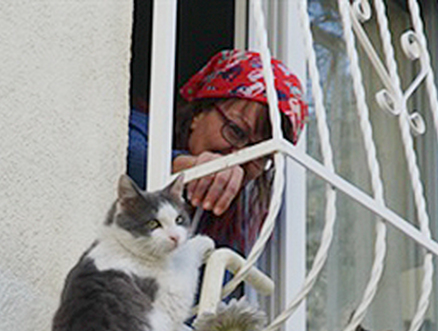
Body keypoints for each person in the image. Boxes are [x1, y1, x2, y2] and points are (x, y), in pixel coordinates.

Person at [127, 49, 307, 257]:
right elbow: (120, 153)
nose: (242, 157)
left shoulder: (232, 227)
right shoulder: (140, 128)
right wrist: (190, 168)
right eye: (235, 131)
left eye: (260, 154)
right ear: (198, 113)